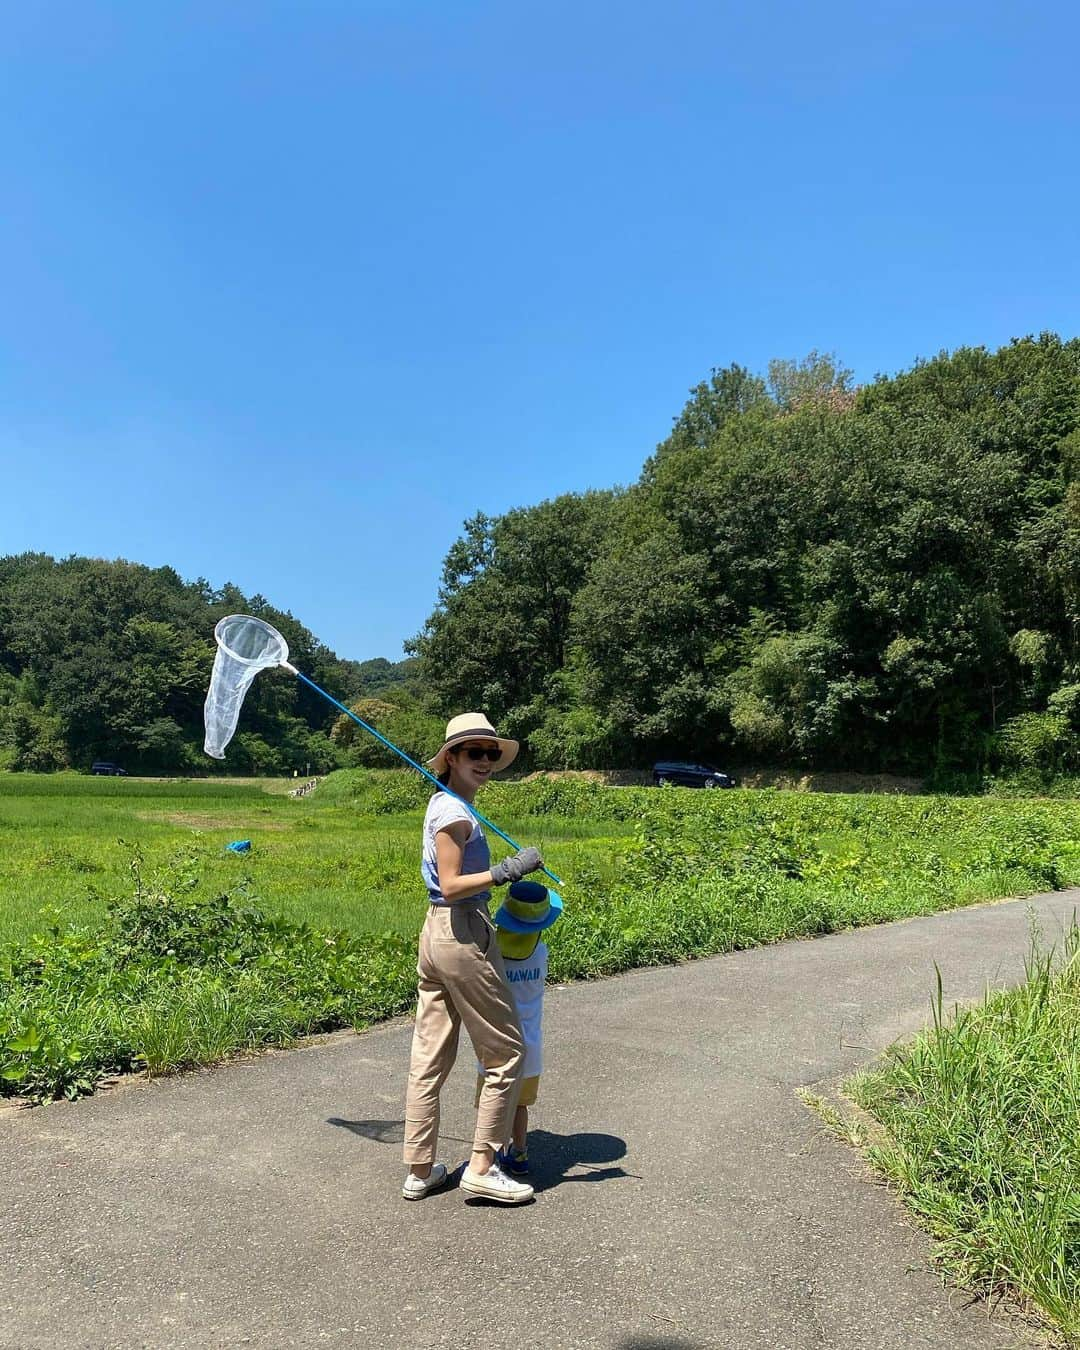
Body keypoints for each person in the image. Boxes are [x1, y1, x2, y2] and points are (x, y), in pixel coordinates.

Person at [402, 713, 545, 1205]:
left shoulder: (447, 804)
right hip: (460, 929)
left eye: (490, 753)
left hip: (437, 932)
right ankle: (482, 1166)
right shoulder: (456, 814)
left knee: (430, 1054)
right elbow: (451, 884)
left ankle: (421, 1169)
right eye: (472, 753)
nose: (484, 761)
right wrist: (506, 870)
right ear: (451, 760)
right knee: (507, 1053)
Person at [476, 879, 562, 1177]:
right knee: (519, 1105)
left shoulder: (492, 950)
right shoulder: (541, 950)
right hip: (530, 1045)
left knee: (494, 1099)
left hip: (496, 1039)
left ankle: (490, 1156)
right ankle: (520, 1151)